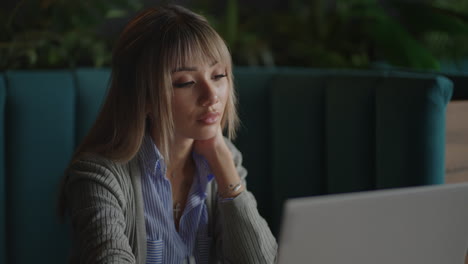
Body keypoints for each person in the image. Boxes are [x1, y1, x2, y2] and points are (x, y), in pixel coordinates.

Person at [58, 4, 277, 264]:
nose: (212, 96)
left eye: (218, 75)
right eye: (185, 82)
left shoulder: (226, 159)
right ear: (144, 97)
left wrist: (220, 156)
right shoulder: (99, 175)